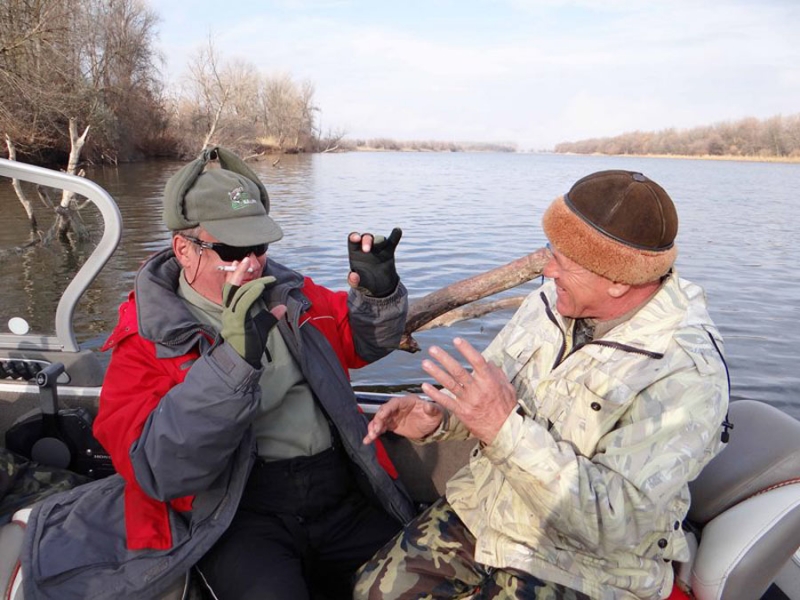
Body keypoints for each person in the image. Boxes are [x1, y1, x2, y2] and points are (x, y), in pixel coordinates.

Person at [19, 147, 415, 600]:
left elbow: (360, 343)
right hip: (240, 511)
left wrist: (378, 297)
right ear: (184, 250)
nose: (251, 264)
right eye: (231, 249)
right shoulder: (146, 339)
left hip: (341, 493)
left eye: (259, 246)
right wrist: (233, 363)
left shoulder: (295, 294)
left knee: (435, 579)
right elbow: (156, 470)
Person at [354, 170, 730, 600]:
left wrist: (503, 429)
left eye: (563, 262)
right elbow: (493, 392)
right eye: (552, 253)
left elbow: (616, 524)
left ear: (618, 278)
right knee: (371, 593)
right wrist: (441, 418)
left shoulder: (685, 370)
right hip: (487, 509)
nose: (546, 270)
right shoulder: (552, 299)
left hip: (592, 566)